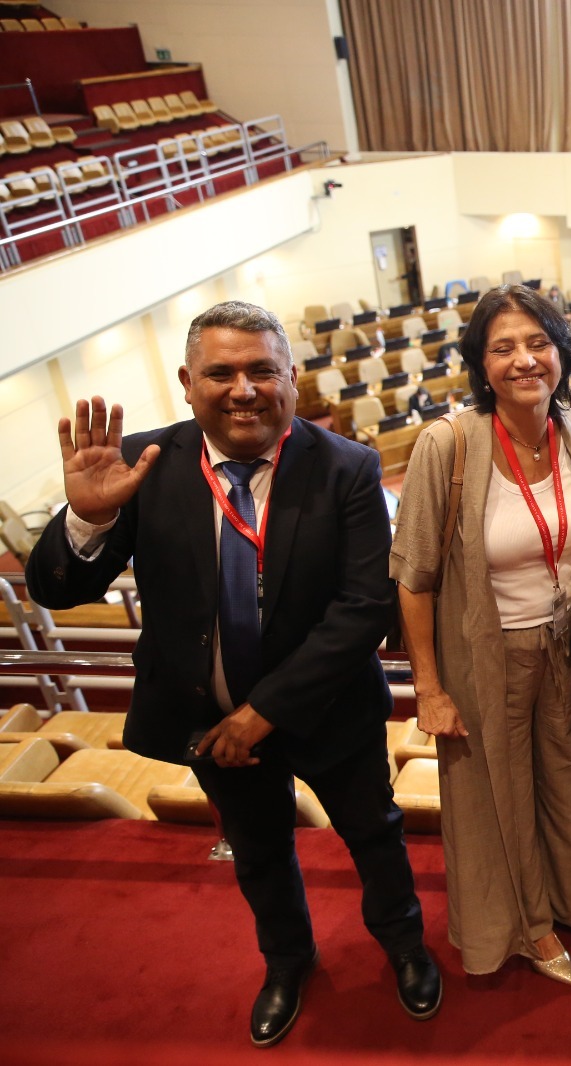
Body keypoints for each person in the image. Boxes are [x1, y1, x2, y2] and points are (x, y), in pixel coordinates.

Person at [25, 301, 440, 1047]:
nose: (243, 388)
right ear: (188, 382)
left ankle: (404, 947)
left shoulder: (346, 466)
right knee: (258, 852)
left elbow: (360, 608)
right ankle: (287, 962)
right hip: (207, 720)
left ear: (290, 377)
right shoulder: (146, 464)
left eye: (261, 370)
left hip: (325, 713)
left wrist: (262, 713)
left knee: (374, 838)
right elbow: (58, 591)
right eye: (221, 372)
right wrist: (85, 519)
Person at [390, 285, 571, 987]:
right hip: (484, 654)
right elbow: (414, 577)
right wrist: (427, 688)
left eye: (538, 343)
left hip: (565, 645)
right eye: (504, 348)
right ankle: (525, 927)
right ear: (480, 365)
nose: (525, 360)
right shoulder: (450, 443)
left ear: (562, 351)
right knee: (499, 801)